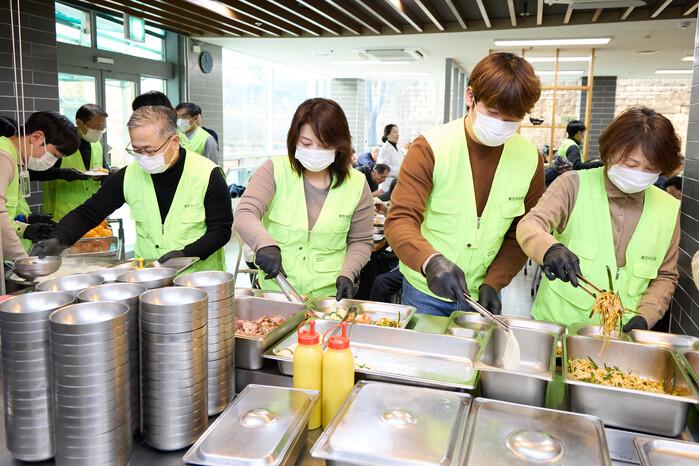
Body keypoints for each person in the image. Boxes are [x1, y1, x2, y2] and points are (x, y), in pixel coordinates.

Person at [385, 52, 545, 316]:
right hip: (426, 291)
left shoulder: (529, 159)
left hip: (483, 294)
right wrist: (429, 261)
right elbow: (400, 220)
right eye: (493, 113)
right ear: (470, 97)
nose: (501, 125)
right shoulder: (431, 147)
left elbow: (522, 232)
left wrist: (495, 281)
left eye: (512, 119)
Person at [517, 107, 682, 331]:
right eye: (631, 164)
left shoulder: (668, 208)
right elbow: (530, 224)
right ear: (611, 151)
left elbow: (666, 275)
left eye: (650, 169)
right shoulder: (573, 185)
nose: (639, 174)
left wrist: (647, 316)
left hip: (622, 334)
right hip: (558, 327)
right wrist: (548, 248)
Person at [31, 106, 232, 271]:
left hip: (199, 278)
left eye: (149, 150)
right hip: (149, 275)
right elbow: (89, 212)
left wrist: (186, 254)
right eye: (136, 150)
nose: (143, 156)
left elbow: (221, 230)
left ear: (174, 141)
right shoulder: (129, 175)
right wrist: (59, 238)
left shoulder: (207, 174)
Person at [234, 98, 373, 299]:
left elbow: (361, 240)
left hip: (328, 297)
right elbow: (245, 213)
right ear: (294, 139)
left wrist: (348, 273)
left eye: (324, 145)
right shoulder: (274, 171)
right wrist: (264, 244)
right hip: (277, 292)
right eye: (306, 143)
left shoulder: (357, 184)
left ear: (339, 145)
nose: (314, 151)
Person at [1, 112, 80, 259]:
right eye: (54, 155)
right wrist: (23, 261)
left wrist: (25, 226)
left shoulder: (12, 157)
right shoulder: (3, 157)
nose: (51, 162)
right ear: (36, 137)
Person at [30, 104, 109, 221]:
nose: (99, 132)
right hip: (62, 214)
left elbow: (103, 168)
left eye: (102, 129)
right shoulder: (60, 144)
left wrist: (107, 175)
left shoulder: (97, 145)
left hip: (91, 213)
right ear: (79, 123)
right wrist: (63, 174)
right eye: (96, 128)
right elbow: (34, 173)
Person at [376, 124, 402, 191]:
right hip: (387, 185)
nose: (397, 134)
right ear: (387, 135)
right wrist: (400, 171)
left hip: (396, 184)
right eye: (395, 132)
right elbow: (383, 168)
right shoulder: (385, 149)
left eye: (398, 132)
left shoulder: (398, 148)